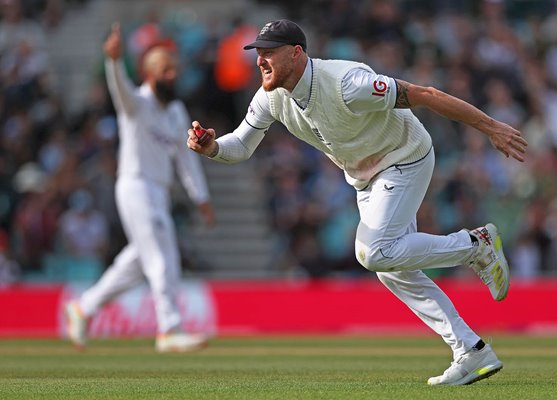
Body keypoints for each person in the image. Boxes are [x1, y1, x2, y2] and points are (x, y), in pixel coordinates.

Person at [187, 19, 528, 384]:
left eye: (269, 52)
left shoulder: (348, 84)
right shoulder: (270, 97)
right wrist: (212, 148)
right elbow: (240, 145)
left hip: (405, 157)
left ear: (296, 53)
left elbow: (425, 94)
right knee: (391, 268)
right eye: (258, 53)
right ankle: (471, 351)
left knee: (374, 252)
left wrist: (490, 126)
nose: (260, 61)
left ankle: (475, 245)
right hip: (365, 178)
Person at [65, 23, 215, 353]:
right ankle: (169, 329)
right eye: (166, 70)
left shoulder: (176, 111)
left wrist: (200, 197)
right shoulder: (137, 104)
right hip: (135, 187)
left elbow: (186, 160)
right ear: (149, 74)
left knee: (136, 262)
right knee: (163, 257)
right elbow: (119, 89)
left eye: (175, 69)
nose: (173, 75)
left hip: (158, 191)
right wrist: (113, 62)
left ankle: (83, 308)